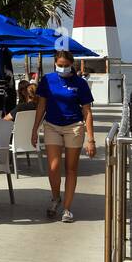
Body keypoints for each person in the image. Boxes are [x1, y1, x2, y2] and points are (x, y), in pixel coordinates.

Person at [30, 50, 95, 223]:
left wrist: (91, 139)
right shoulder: (48, 80)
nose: (63, 68)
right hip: (52, 125)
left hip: (74, 127)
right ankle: (55, 197)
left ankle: (67, 208)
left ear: (72, 65)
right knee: (53, 166)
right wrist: (34, 129)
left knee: (71, 168)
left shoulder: (80, 83)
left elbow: (87, 111)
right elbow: (41, 106)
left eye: (66, 66)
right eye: (60, 65)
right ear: (55, 64)